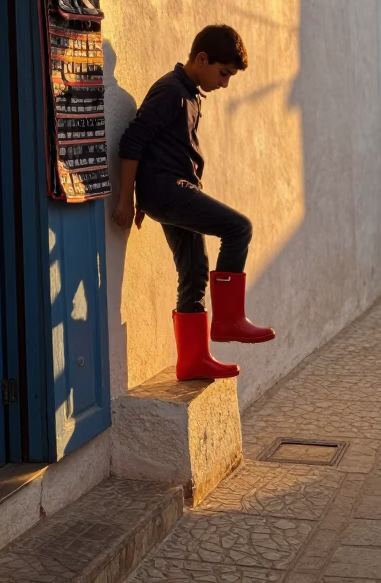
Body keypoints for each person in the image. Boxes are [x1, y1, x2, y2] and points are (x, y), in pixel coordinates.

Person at [113, 25, 274, 381]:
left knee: (194, 270)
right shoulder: (171, 91)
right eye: (223, 73)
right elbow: (133, 140)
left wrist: (142, 196)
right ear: (202, 59)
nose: (225, 83)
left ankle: (193, 359)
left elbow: (159, 148)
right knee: (238, 228)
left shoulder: (190, 92)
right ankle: (229, 321)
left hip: (169, 190)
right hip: (170, 191)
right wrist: (128, 197)